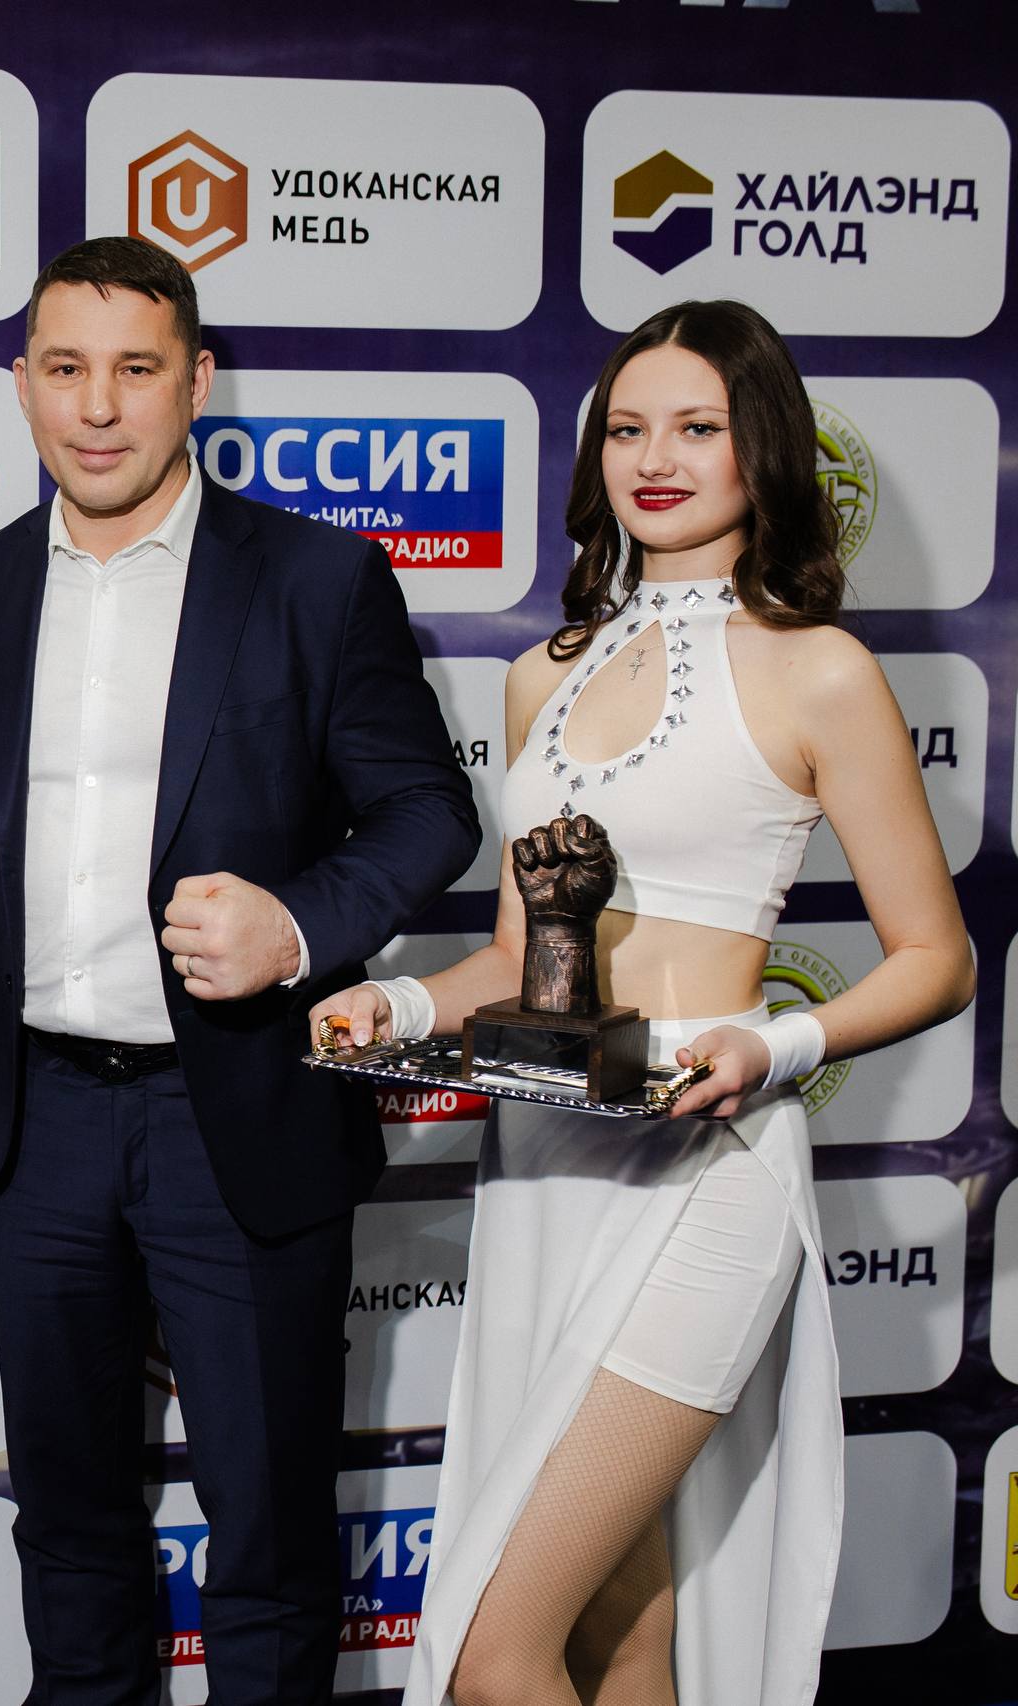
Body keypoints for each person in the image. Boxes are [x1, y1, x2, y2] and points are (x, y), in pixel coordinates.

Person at [316, 300, 973, 1706]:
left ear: (761, 449)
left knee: (493, 1654)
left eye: (696, 427)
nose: (654, 459)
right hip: (547, 1165)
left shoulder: (822, 668)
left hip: (707, 1169)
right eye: (626, 428)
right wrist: (400, 1009)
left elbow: (937, 955)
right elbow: (519, 964)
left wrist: (775, 1043)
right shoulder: (539, 676)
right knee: (619, 1625)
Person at [0, 236, 478, 1705]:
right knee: (68, 1525)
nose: (98, 407)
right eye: (66, 369)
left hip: (247, 1115)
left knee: (268, 1536)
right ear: (22, 384)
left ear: (197, 382)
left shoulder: (317, 577)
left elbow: (429, 811)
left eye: (136, 370)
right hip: (35, 1126)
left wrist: (297, 925)